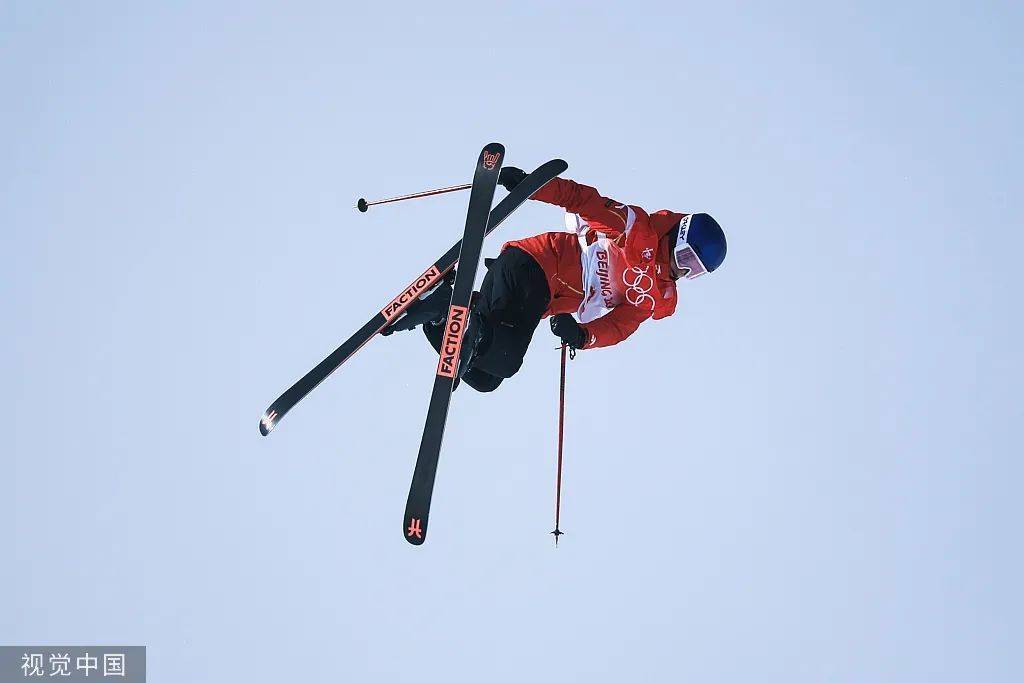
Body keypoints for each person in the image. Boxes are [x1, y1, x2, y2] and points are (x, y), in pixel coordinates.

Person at [382, 167, 728, 392]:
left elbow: (619, 327)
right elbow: (584, 201)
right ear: (676, 238)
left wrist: (582, 335)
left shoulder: (652, 298)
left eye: (693, 270)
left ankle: (445, 314)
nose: (681, 271)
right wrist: (533, 187)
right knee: (503, 358)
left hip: (531, 297)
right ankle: (451, 311)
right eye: (685, 258)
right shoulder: (636, 230)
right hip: (534, 266)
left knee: (486, 378)